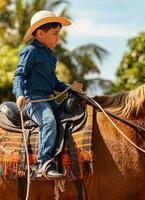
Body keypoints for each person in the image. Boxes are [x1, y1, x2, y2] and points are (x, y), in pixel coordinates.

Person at [13, 10, 83, 179]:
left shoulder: (51, 57)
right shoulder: (30, 51)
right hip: (34, 101)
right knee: (48, 120)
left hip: (49, 100)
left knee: (71, 113)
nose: (58, 38)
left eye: (59, 34)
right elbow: (19, 75)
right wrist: (20, 94)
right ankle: (43, 164)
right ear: (40, 33)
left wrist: (70, 88)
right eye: (55, 34)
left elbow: (54, 83)